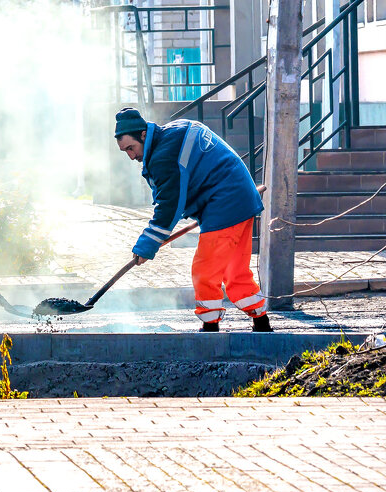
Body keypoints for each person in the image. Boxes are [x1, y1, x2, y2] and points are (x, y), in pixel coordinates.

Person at [114, 107, 272, 332]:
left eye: (131, 148)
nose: (131, 156)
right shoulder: (175, 130)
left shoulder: (163, 156)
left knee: (204, 269)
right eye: (125, 152)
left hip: (225, 203)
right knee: (234, 270)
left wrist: (146, 245)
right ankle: (261, 322)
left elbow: (169, 206)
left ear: (143, 135)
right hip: (240, 198)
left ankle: (210, 327)